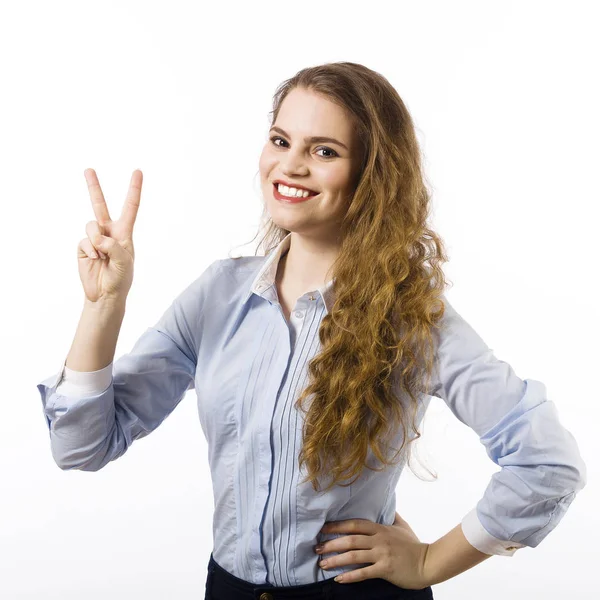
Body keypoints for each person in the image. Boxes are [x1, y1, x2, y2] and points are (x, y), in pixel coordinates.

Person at [37, 62, 586, 600]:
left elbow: (547, 463)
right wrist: (105, 304)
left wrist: (428, 562)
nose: (291, 166)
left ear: (372, 174)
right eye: (281, 140)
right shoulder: (218, 296)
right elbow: (81, 446)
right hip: (226, 589)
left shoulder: (412, 317)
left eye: (324, 151)